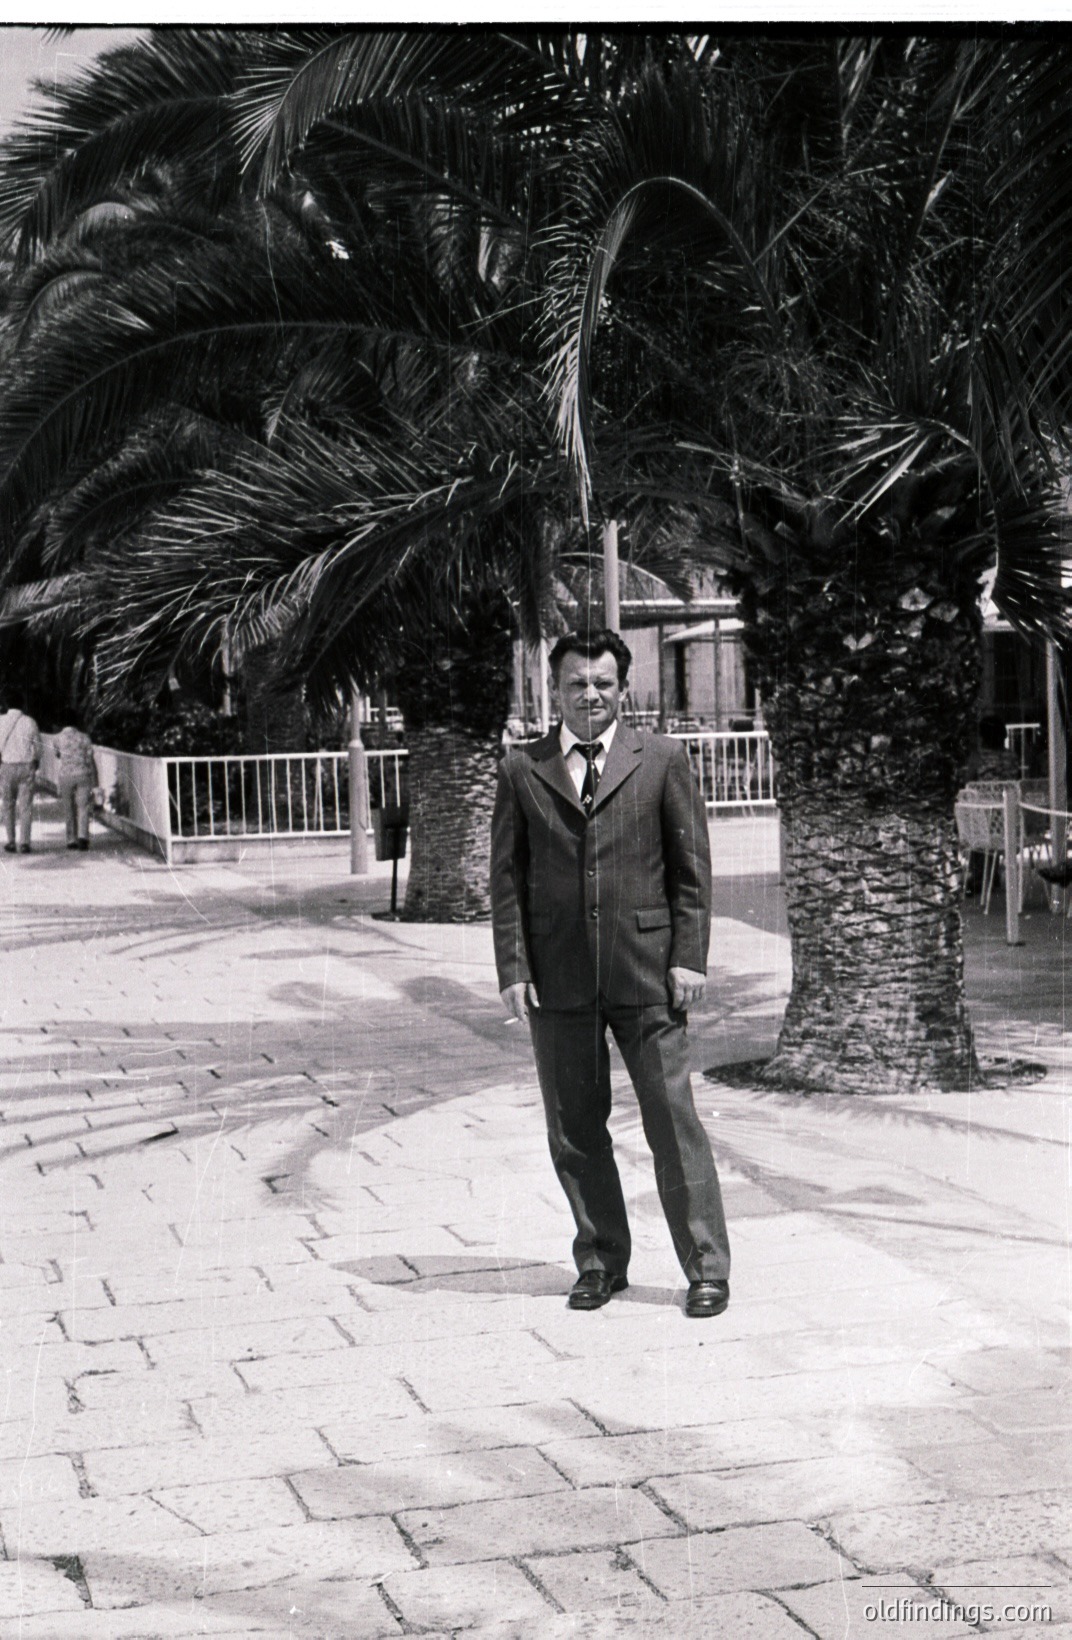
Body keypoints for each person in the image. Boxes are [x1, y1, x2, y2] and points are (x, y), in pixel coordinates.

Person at [490, 628, 731, 1319]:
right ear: (554, 690)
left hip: (649, 973)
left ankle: (706, 1268)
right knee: (575, 1129)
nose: (589, 695)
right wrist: (513, 966)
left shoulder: (661, 760)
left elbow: (691, 871)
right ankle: (599, 1261)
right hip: (557, 977)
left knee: (673, 1122)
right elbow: (507, 878)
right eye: (575, 683)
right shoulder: (522, 767)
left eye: (602, 683)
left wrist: (689, 956)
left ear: (622, 688)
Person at [0, 694, 42, 855]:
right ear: (23, 704)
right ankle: (24, 842)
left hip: (7, 767)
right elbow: (38, 747)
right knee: (25, 806)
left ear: (6, 703)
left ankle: (10, 841)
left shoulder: (1, 721)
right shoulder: (30, 722)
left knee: (8, 805)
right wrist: (36, 760)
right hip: (26, 767)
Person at [54, 711, 98, 851]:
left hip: (65, 776)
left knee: (69, 808)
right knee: (83, 806)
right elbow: (90, 758)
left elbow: (58, 755)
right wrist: (96, 779)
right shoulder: (84, 738)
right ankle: (83, 837)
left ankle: (71, 839)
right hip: (83, 774)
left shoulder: (57, 738)